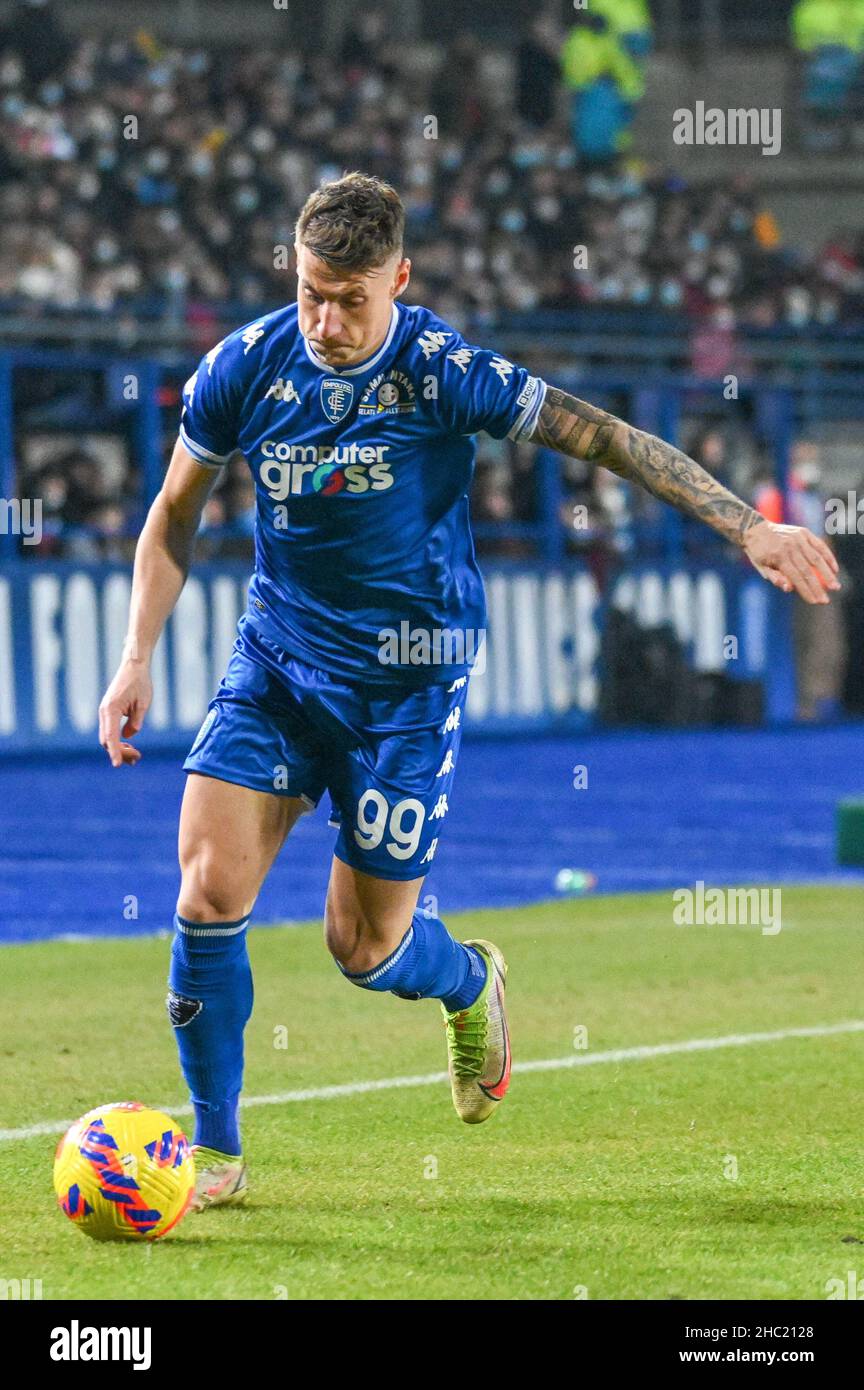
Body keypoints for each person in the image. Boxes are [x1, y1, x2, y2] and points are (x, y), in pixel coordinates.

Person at [98, 173, 840, 1211]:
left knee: (362, 948)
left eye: (352, 298)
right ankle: (216, 1152)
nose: (328, 320)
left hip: (407, 686)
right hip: (276, 667)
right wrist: (137, 654)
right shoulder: (244, 368)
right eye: (313, 291)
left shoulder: (445, 371)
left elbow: (607, 436)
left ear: (399, 277)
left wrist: (747, 526)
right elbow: (173, 515)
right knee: (206, 892)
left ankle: (467, 984)